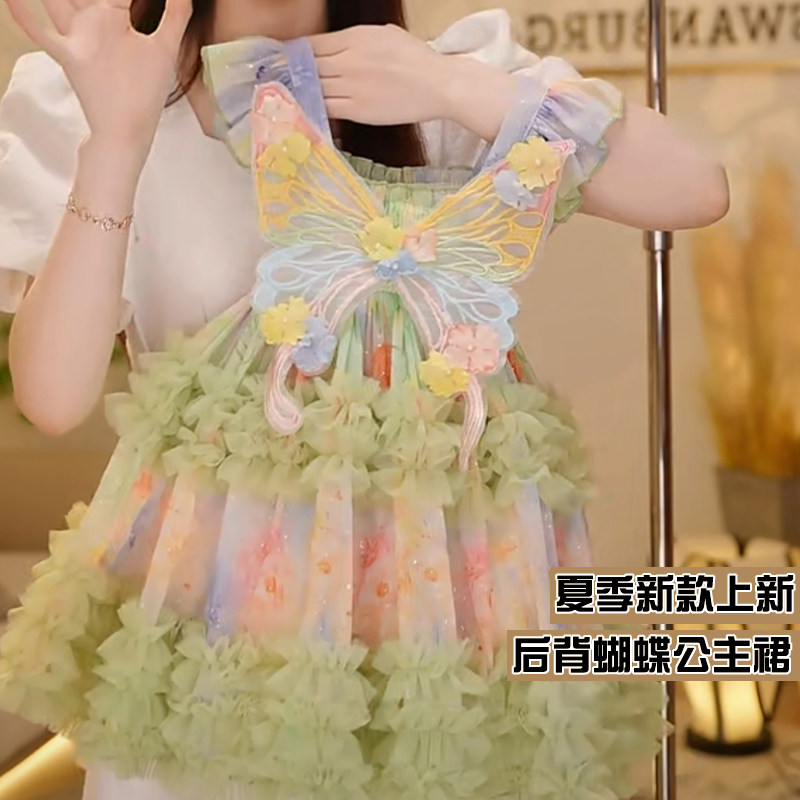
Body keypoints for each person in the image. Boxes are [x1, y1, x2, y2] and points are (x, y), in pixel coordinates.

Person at [0, 0, 728, 798]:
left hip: (435, 646)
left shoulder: (436, 80)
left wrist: (452, 87)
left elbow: (695, 187)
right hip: (205, 644)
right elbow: (54, 396)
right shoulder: (95, 88)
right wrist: (117, 137)